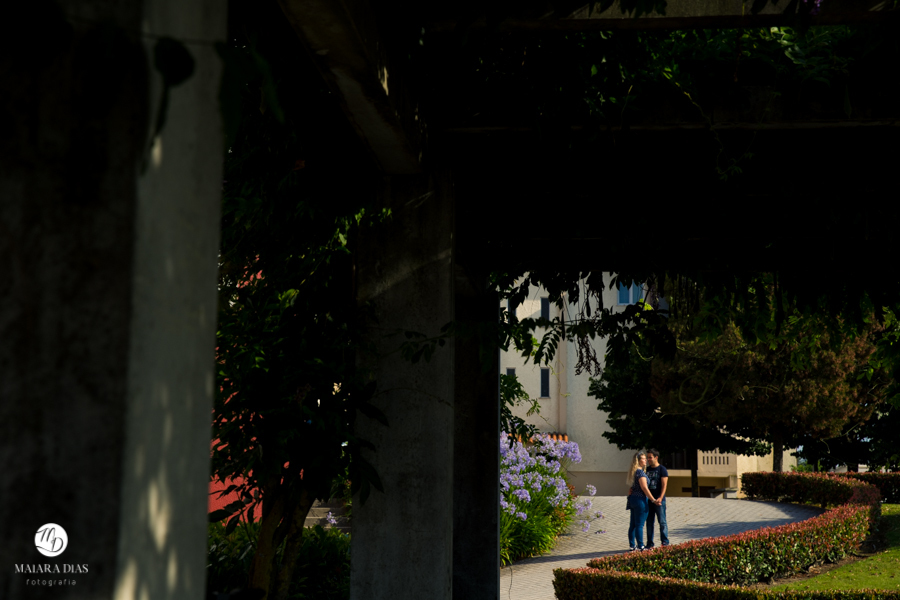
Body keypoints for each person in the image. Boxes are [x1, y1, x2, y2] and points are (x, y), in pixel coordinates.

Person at [625, 450, 655, 551]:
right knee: (639, 524)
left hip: (633, 499)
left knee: (633, 524)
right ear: (638, 460)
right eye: (643, 458)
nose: (646, 460)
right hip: (640, 500)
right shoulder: (640, 473)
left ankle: (632, 546)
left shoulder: (633, 472)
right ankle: (641, 546)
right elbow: (644, 488)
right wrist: (653, 499)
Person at [644, 448, 670, 548]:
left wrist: (660, 497)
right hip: (649, 501)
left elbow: (664, 485)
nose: (648, 459)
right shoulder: (647, 470)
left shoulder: (662, 469)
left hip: (659, 501)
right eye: (647, 458)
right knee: (649, 523)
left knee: (662, 522)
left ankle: (665, 542)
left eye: (650, 457)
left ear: (656, 457)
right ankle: (649, 543)